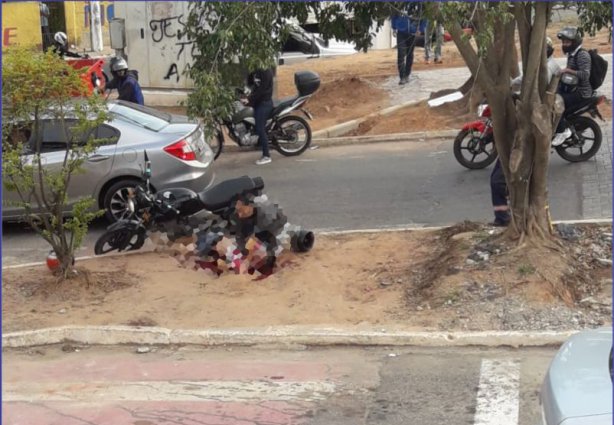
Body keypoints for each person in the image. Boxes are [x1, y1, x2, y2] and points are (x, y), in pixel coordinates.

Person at [491, 37, 561, 227]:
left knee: (498, 180)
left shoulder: (544, 71)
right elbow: (522, 81)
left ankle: (503, 218)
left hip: (525, 133)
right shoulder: (548, 66)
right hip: (534, 131)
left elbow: (525, 85)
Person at [552, 27, 592, 147]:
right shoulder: (572, 54)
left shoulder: (582, 55)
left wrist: (568, 70)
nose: (565, 44)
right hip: (572, 88)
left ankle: (562, 131)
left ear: (574, 42)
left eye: (567, 42)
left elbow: (585, 74)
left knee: (556, 103)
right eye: (563, 42)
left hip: (581, 92)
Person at [245, 67, 274, 165]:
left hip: (264, 103)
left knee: (260, 128)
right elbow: (250, 83)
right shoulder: (256, 70)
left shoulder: (266, 71)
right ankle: (258, 142)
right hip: (257, 103)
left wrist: (249, 99)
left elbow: (261, 90)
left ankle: (266, 156)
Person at [391, 5, 427, 85]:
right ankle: (402, 77)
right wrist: (393, 27)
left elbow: (425, 15)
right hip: (401, 32)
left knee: (409, 54)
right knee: (400, 54)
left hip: (413, 32)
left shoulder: (419, 3)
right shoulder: (399, 3)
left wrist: (421, 29)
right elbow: (394, 13)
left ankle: (407, 74)